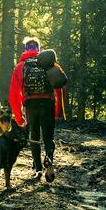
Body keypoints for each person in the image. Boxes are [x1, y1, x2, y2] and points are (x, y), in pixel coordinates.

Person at [8, 37, 66, 182]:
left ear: (25, 49)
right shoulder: (51, 65)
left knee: (34, 136)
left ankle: (38, 169)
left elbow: (14, 93)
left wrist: (19, 117)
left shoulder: (20, 66)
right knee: (48, 137)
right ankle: (49, 160)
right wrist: (59, 112)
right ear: (39, 50)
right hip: (48, 103)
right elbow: (59, 89)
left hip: (30, 105)